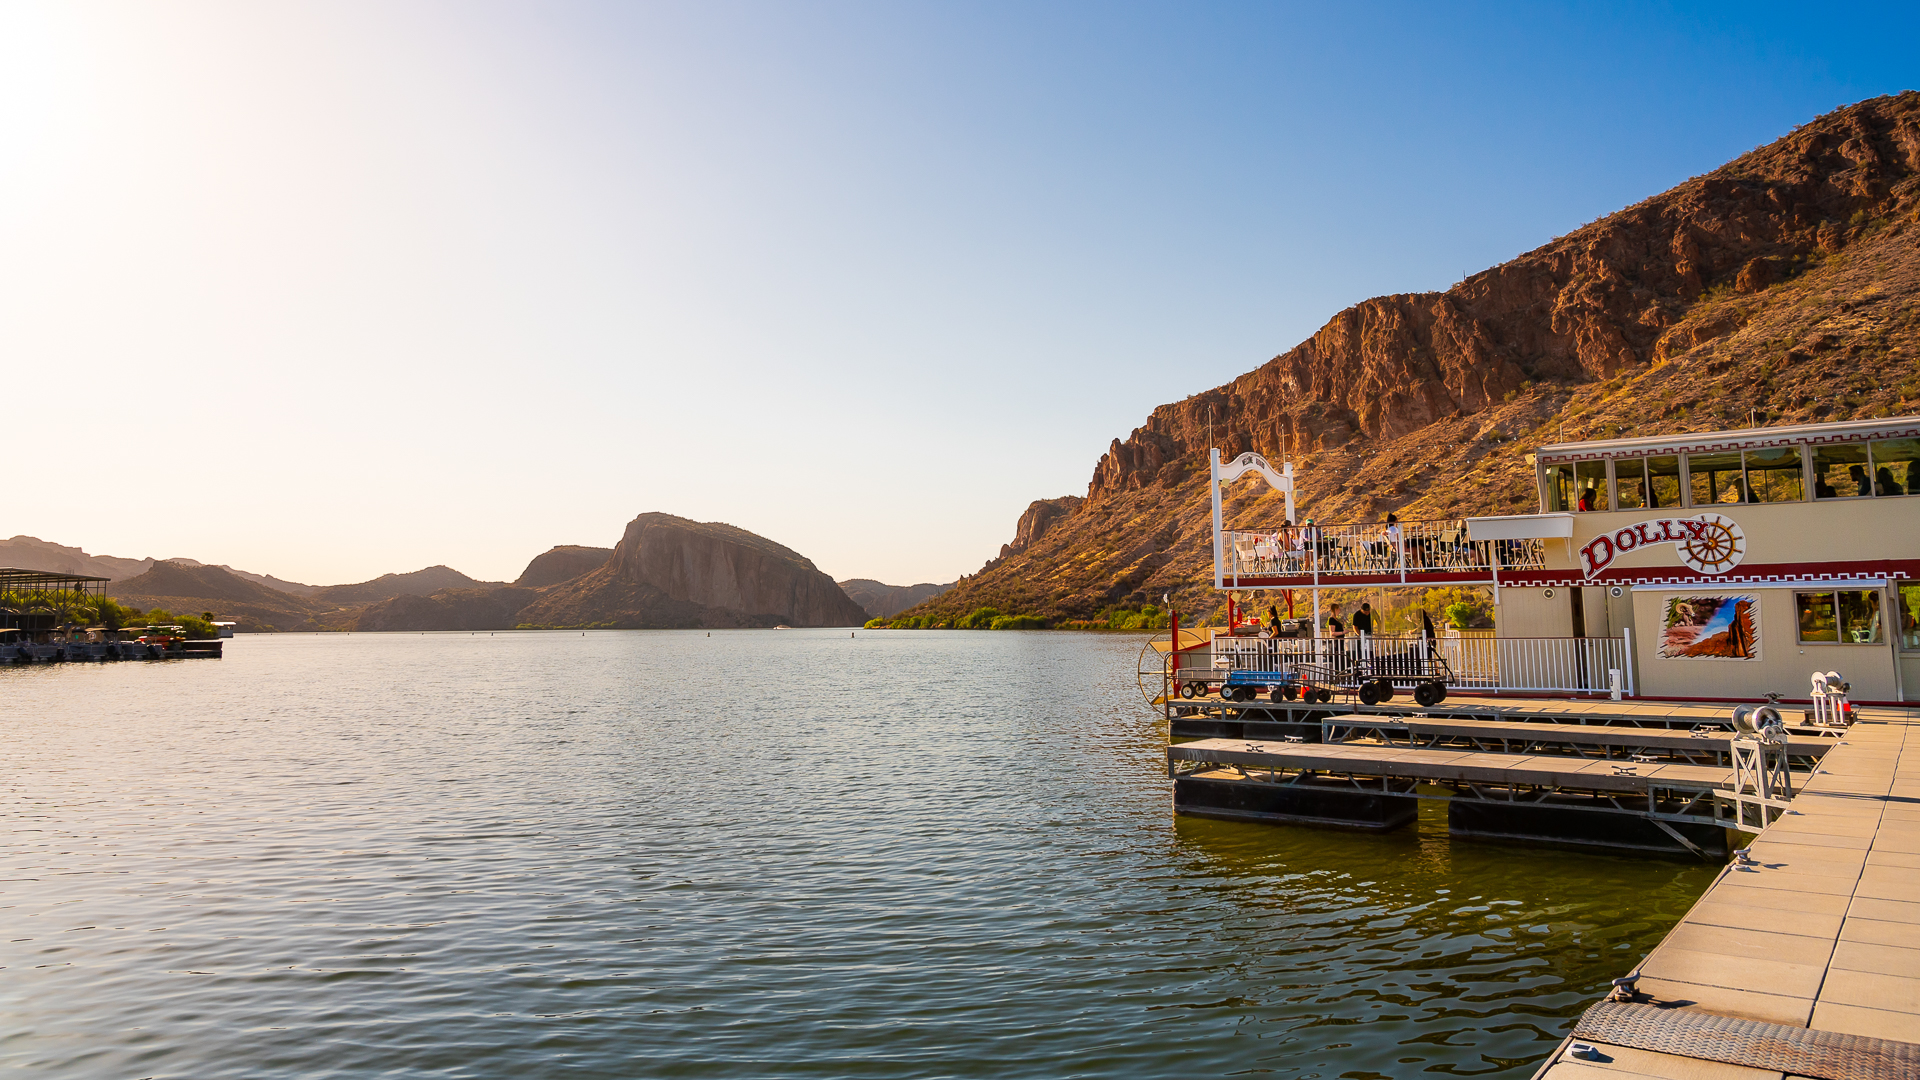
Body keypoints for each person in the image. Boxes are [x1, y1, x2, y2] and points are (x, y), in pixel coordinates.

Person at [1326, 602, 1348, 672]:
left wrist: (1343, 624)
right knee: (1338, 657)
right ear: (1335, 609)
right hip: (1337, 642)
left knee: (1341, 656)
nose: (1340, 611)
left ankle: (1341, 671)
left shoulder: (1336, 619)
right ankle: (1338, 671)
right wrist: (1343, 632)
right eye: (1338, 609)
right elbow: (1332, 633)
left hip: (1341, 641)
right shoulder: (1332, 620)